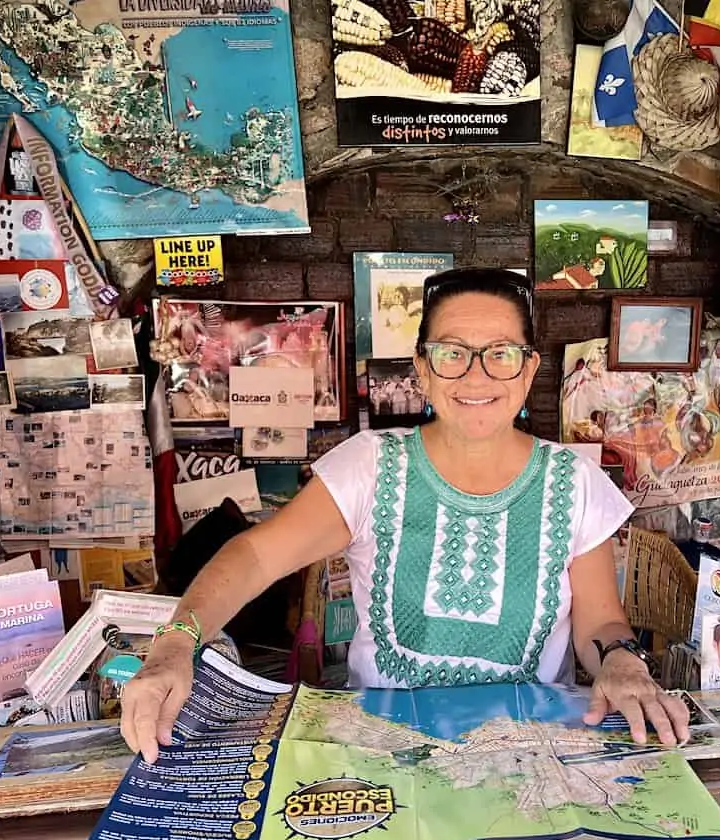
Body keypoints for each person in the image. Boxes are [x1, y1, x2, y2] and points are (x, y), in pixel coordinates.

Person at [121, 268, 689, 763]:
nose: (476, 376)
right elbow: (253, 555)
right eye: (451, 353)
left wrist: (621, 661)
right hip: (384, 749)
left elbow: (600, 626)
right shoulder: (370, 466)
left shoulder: (577, 482)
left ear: (528, 369)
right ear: (421, 369)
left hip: (530, 754)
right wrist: (176, 643)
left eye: (501, 354)